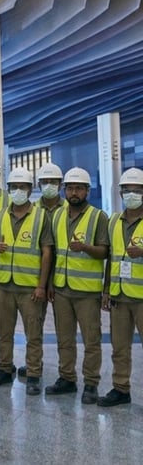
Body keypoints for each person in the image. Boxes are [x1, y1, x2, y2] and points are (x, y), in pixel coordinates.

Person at [0, 167, 52, 395]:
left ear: (30, 190)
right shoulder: (0, 215)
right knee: (3, 331)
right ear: (8, 189)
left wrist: (41, 286)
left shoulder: (41, 216)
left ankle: (33, 373)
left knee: (33, 333)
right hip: (4, 285)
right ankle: (4, 368)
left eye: (22, 187)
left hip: (30, 287)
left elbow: (46, 253)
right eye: (14, 187)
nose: (18, 191)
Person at [46, 167, 108, 405]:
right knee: (64, 337)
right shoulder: (58, 216)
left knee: (91, 340)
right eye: (70, 188)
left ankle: (91, 383)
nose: (74, 192)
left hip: (87, 291)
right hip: (62, 288)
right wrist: (51, 282)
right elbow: (53, 253)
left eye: (79, 188)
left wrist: (85, 248)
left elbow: (104, 251)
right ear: (64, 190)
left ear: (87, 191)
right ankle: (67, 377)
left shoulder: (98, 216)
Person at [98, 167, 143, 407]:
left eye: (136, 190)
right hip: (119, 296)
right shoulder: (114, 220)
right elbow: (111, 258)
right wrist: (106, 290)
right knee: (120, 347)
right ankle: (121, 388)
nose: (131, 194)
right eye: (127, 190)